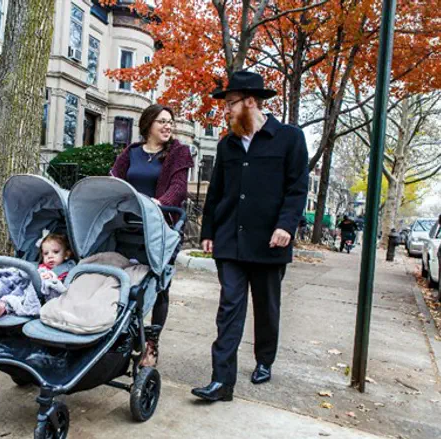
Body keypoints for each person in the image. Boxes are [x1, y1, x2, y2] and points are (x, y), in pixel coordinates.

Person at [191, 70, 309, 402]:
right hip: (230, 239)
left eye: (230, 104)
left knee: (266, 307)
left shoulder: (289, 138)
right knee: (229, 307)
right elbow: (216, 192)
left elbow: (297, 188)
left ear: (251, 102)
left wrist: (286, 226)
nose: (225, 111)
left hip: (271, 241)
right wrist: (209, 231)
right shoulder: (227, 145)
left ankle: (264, 359)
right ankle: (221, 381)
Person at [110, 103, 194, 367]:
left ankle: (151, 344)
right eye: (162, 121)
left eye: (170, 121)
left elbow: (178, 188)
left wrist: (158, 204)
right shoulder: (131, 152)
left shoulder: (178, 152)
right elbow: (114, 179)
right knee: (122, 281)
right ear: (148, 125)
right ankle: (120, 331)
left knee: (159, 287)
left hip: (161, 228)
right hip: (129, 227)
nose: (168, 126)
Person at [0, 234, 76, 320]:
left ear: (66, 255)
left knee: (14, 298)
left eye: (55, 252)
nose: (50, 256)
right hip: (22, 285)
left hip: (33, 296)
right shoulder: (38, 266)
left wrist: (51, 280)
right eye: (46, 253)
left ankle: (1, 307)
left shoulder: (66, 270)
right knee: (5, 284)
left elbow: (59, 289)